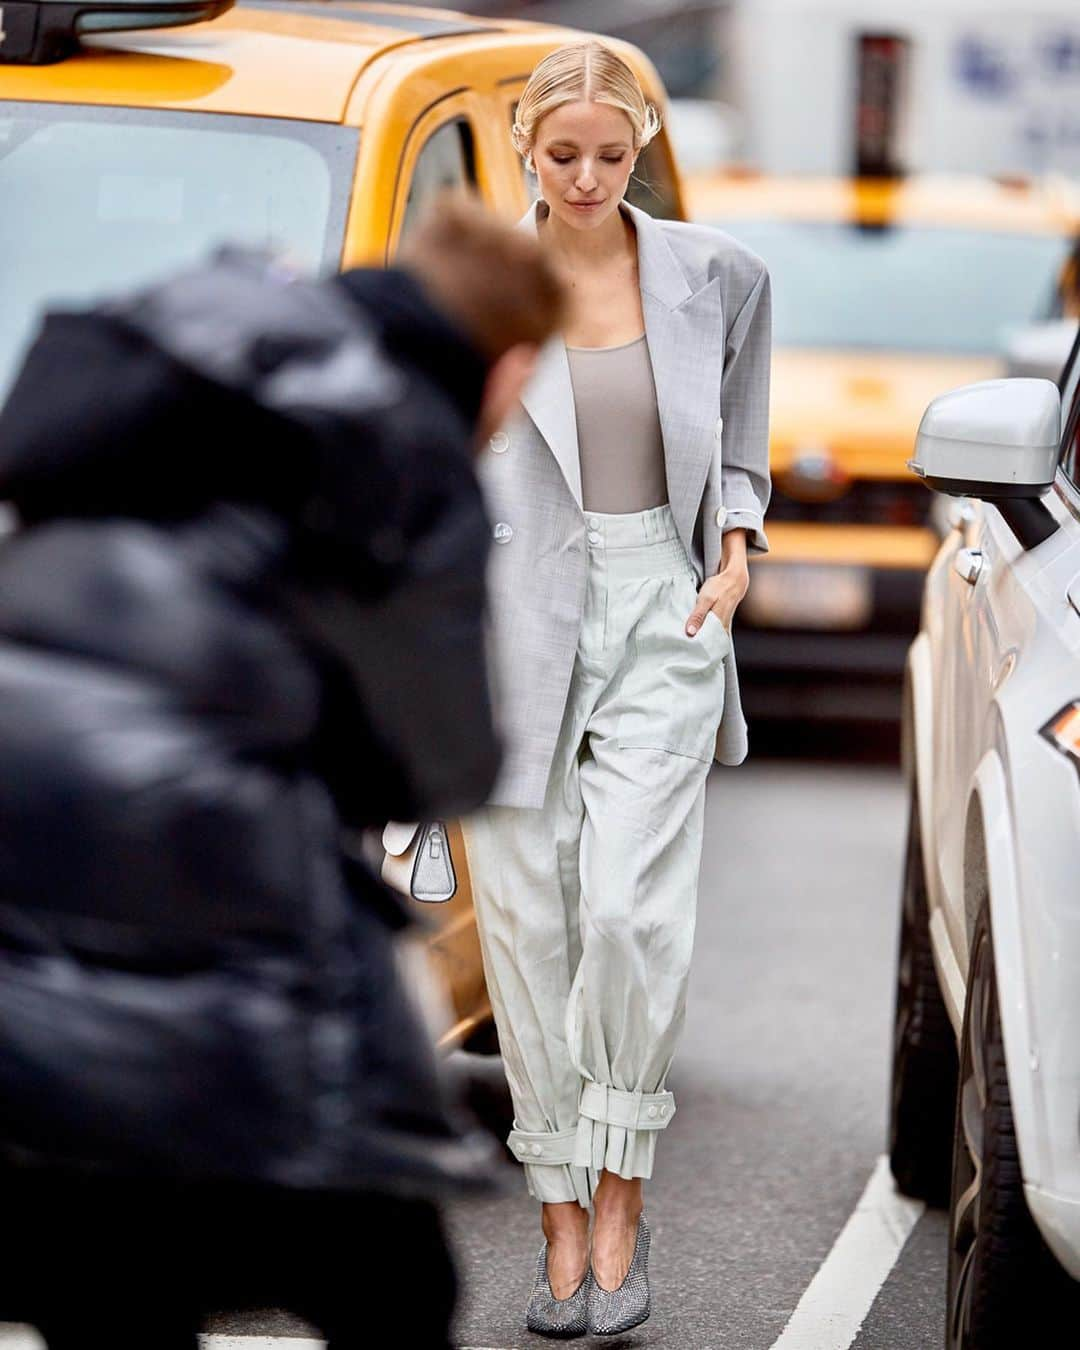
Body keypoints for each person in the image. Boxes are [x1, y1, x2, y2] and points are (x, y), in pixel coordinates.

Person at [0, 196, 564, 1350]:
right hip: (199, 847)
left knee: (95, 1263)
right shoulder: (405, 436)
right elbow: (436, 766)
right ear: (507, 369)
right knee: (392, 1282)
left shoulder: (189, 349)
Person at [456, 42, 772, 1337]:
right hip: (506, 614)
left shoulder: (719, 275)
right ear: (527, 146)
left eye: (611, 152)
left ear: (639, 142)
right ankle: (559, 1214)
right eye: (563, 153)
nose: (588, 176)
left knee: (632, 916)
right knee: (530, 927)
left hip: (665, 599)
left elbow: (739, 437)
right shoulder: (477, 281)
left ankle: (625, 1195)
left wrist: (737, 549)